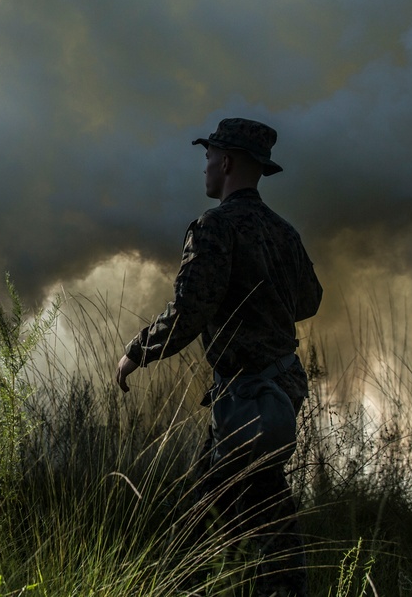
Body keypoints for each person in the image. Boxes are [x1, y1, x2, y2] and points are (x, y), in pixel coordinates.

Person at [115, 118, 322, 596]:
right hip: (279, 390)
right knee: (234, 505)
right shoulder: (284, 233)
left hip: (246, 397)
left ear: (226, 161)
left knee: (232, 515)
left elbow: (189, 312)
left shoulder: (215, 227)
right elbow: (310, 301)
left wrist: (136, 352)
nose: (205, 167)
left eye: (208, 157)